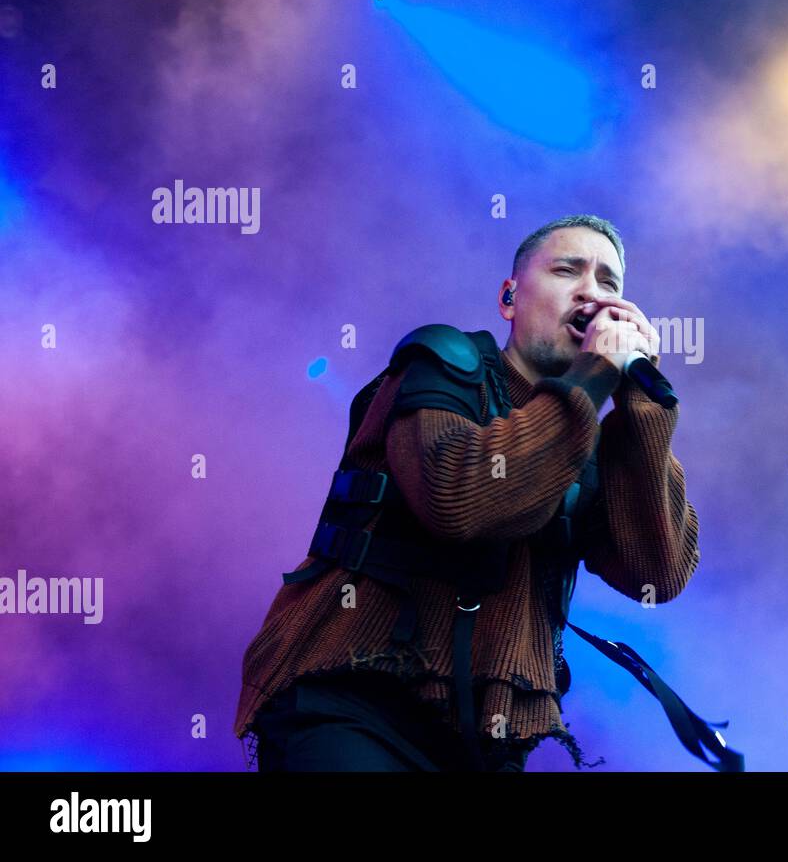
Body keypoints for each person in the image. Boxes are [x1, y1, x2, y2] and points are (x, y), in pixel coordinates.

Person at [233, 213, 701, 771]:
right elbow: (457, 497)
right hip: (355, 699)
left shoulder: (592, 439)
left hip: (487, 738)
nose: (592, 294)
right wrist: (592, 377)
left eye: (609, 283)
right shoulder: (442, 366)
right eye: (567, 270)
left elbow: (656, 573)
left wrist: (641, 413)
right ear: (509, 297)